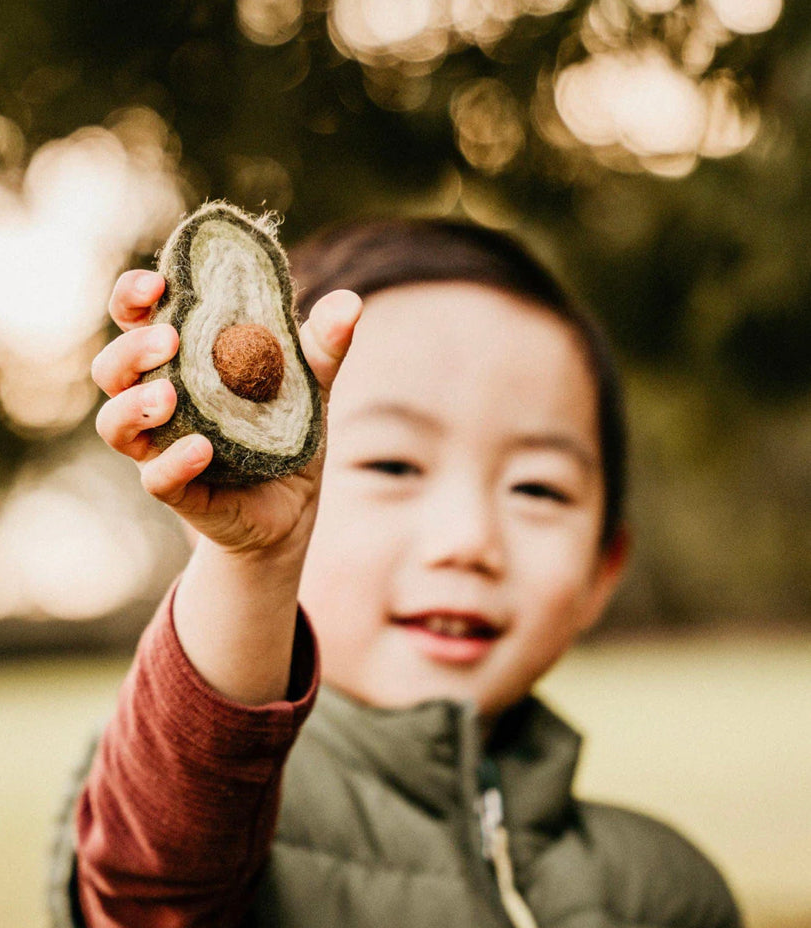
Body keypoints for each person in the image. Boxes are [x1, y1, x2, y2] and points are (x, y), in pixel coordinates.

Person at [49, 218, 742, 928]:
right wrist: (252, 562)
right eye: (391, 464)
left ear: (604, 568)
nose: (467, 541)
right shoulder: (201, 813)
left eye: (537, 488)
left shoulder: (665, 892)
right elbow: (152, 898)